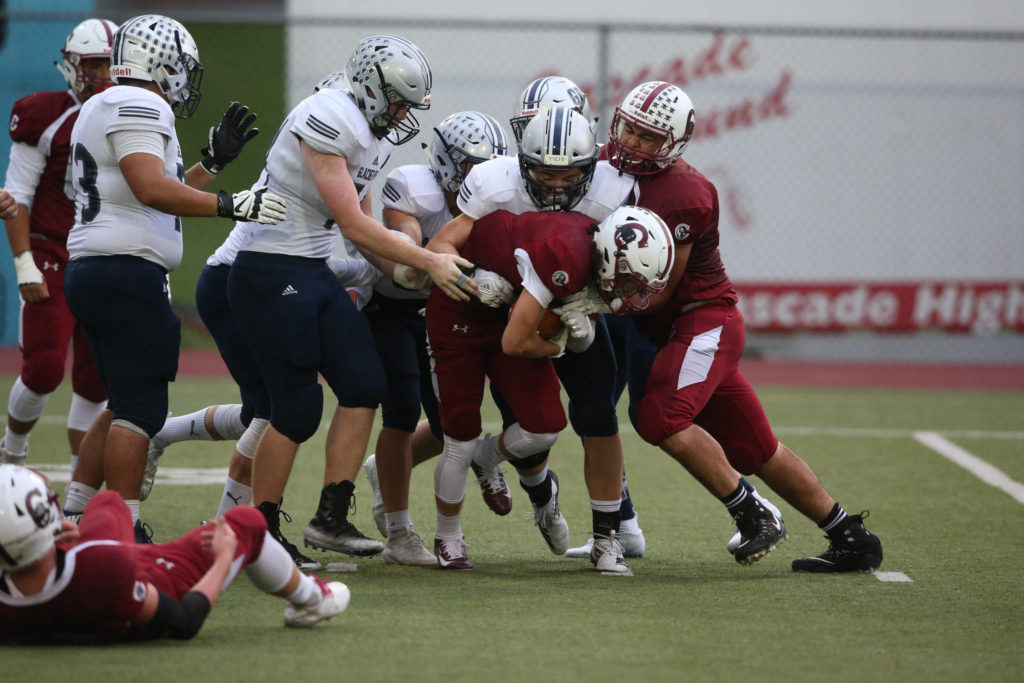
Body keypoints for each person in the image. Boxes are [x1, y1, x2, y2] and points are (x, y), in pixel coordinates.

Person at [559, 80, 883, 572]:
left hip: (701, 319)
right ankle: (852, 538)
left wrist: (588, 300)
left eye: (649, 137)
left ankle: (752, 511)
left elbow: (657, 289)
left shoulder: (686, 193)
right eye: (628, 129)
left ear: (674, 144)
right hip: (666, 329)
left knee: (659, 418)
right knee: (756, 447)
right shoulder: (601, 163)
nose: (632, 143)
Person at [225, 35, 476, 565]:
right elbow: (353, 223)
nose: (402, 115)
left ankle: (330, 517)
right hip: (270, 266)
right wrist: (428, 259)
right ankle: (260, 531)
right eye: (399, 102)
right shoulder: (327, 114)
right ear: (370, 88)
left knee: (364, 384)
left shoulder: (368, 129)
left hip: (311, 268)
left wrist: (404, 271)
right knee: (296, 408)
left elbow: (359, 231)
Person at [61, 14, 286, 543]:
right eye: (182, 64)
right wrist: (232, 203)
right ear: (159, 60)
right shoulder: (141, 103)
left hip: (100, 267)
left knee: (121, 401)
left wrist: (211, 165)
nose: (186, 76)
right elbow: (151, 189)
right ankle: (124, 530)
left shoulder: (104, 103)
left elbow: (156, 191)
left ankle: (75, 514)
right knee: (140, 408)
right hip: (124, 271)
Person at [426, 106, 639, 572]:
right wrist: (471, 276)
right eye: (545, 173)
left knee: (572, 418)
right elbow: (439, 248)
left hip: (541, 300)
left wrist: (592, 312)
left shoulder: (614, 196)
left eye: (570, 175)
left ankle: (608, 533)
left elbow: (620, 287)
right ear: (523, 163)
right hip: (473, 312)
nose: (558, 186)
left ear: (591, 168)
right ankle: (449, 535)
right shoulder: (496, 186)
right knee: (460, 433)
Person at [354, 110, 512, 566]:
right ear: (445, 160)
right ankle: (399, 532)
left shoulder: (499, 195)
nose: (480, 177)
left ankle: (390, 469)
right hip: (391, 306)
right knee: (402, 411)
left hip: (447, 308)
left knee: (450, 425)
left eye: (488, 167)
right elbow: (405, 241)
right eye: (471, 166)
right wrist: (425, 260)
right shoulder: (413, 187)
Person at [0, 464, 348, 643]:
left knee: (107, 501)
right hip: (147, 582)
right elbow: (182, 621)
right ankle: (310, 598)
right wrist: (224, 558)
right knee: (245, 521)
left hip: (74, 575)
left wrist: (54, 543)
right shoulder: (102, 568)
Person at [0, 19, 117, 473]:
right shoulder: (46, 116)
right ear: (72, 64)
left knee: (96, 379)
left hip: (105, 254)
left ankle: (79, 488)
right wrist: (24, 263)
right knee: (45, 366)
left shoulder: (134, 115)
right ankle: (12, 453)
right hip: (54, 253)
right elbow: (17, 195)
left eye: (108, 64)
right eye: (93, 64)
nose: (101, 74)